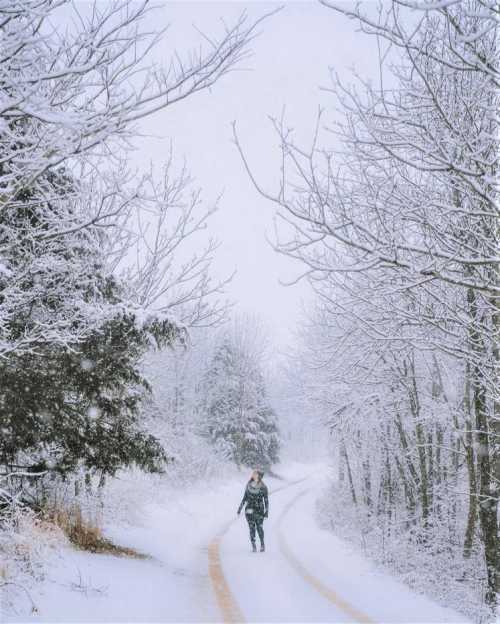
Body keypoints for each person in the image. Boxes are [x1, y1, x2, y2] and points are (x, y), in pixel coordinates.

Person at [237, 469, 269, 552]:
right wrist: (240, 508)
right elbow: (245, 497)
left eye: (256, 474)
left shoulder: (263, 487)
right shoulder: (248, 485)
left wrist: (266, 511)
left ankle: (262, 544)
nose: (254, 475)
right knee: (252, 528)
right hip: (249, 509)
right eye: (253, 474)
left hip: (259, 510)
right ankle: (254, 545)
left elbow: (266, 500)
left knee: (259, 527)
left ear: (260, 476)